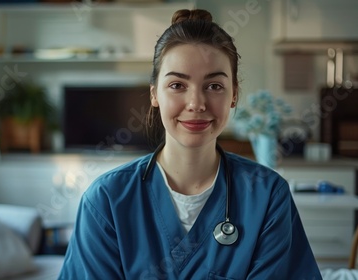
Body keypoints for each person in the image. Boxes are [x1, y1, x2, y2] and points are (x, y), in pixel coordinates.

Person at [58, 8, 322, 280]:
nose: (196, 104)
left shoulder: (268, 197)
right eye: (177, 85)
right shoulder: (106, 200)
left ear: (234, 95)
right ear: (154, 94)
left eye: (215, 86)